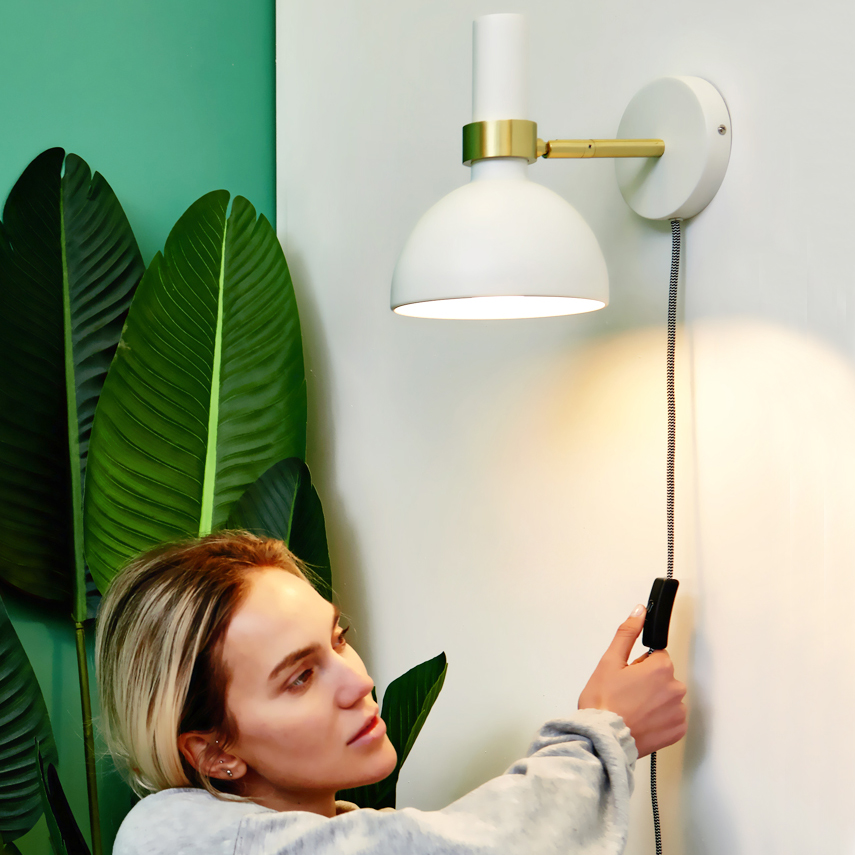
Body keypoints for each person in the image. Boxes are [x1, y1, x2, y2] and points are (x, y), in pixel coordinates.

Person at [97, 531, 687, 855]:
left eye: (338, 639)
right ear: (214, 752)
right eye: (300, 677)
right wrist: (602, 732)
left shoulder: (340, 828)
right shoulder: (170, 839)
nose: (359, 682)